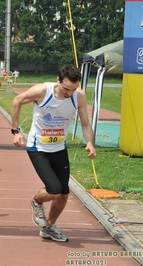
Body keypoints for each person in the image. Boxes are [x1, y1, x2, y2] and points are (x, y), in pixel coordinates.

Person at [11, 64, 96, 242]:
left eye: (73, 89)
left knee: (64, 193)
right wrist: (16, 131)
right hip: (38, 148)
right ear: (58, 81)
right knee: (54, 189)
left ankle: (48, 227)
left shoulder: (78, 96)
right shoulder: (43, 90)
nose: (69, 93)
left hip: (59, 148)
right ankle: (36, 201)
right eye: (66, 89)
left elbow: (86, 124)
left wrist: (90, 142)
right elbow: (17, 100)